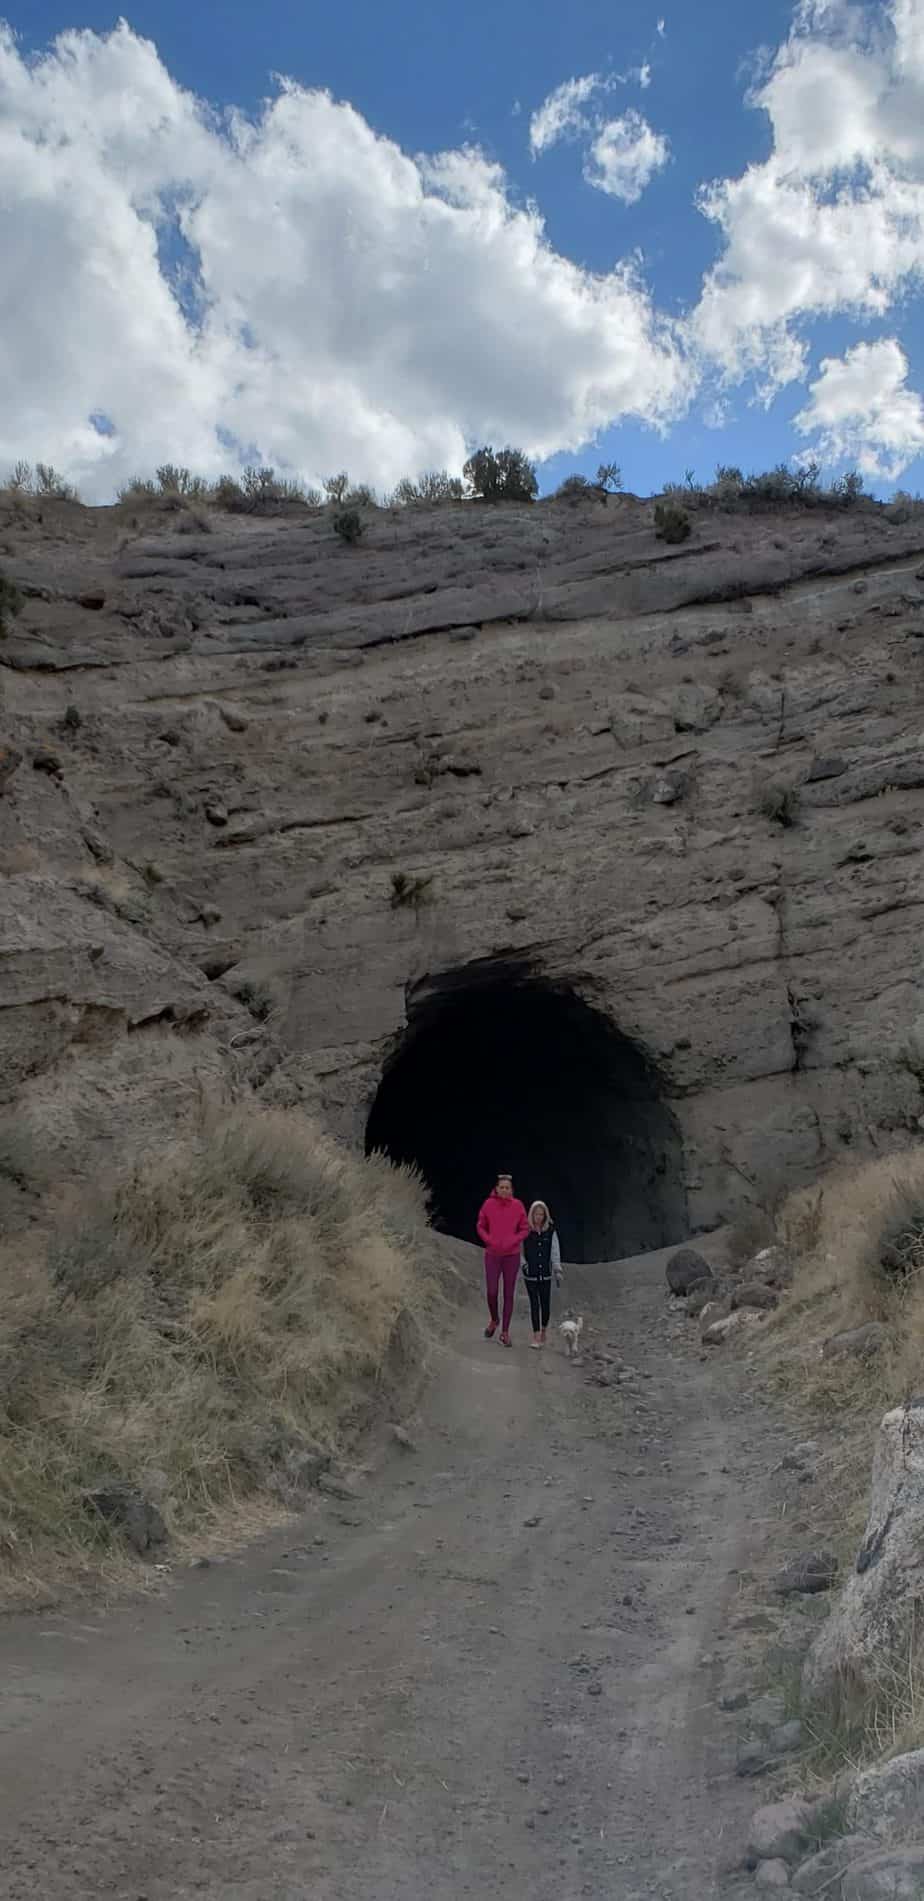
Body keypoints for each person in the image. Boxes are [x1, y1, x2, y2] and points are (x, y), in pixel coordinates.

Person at [476, 1172, 529, 1348]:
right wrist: (489, 1239)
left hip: (511, 1256)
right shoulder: (488, 1204)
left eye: (507, 1188)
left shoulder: (518, 1206)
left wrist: (514, 1240)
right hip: (492, 1254)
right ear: (496, 1189)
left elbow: (524, 1228)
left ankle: (505, 1332)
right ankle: (494, 1319)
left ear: (511, 1190)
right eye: (502, 1187)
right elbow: (480, 1225)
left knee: (508, 1293)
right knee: (492, 1291)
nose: (504, 1190)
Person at [522, 1200, 562, 1348]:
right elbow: (519, 1248)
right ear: (531, 1214)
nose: (538, 1217)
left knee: (545, 1305)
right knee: (534, 1304)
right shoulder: (525, 1230)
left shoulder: (550, 1231)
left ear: (545, 1215)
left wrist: (557, 1269)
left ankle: (544, 1329)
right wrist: (523, 1265)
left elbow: (554, 1250)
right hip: (530, 1274)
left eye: (541, 1214)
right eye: (536, 1214)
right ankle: (536, 1336)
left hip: (545, 1273)